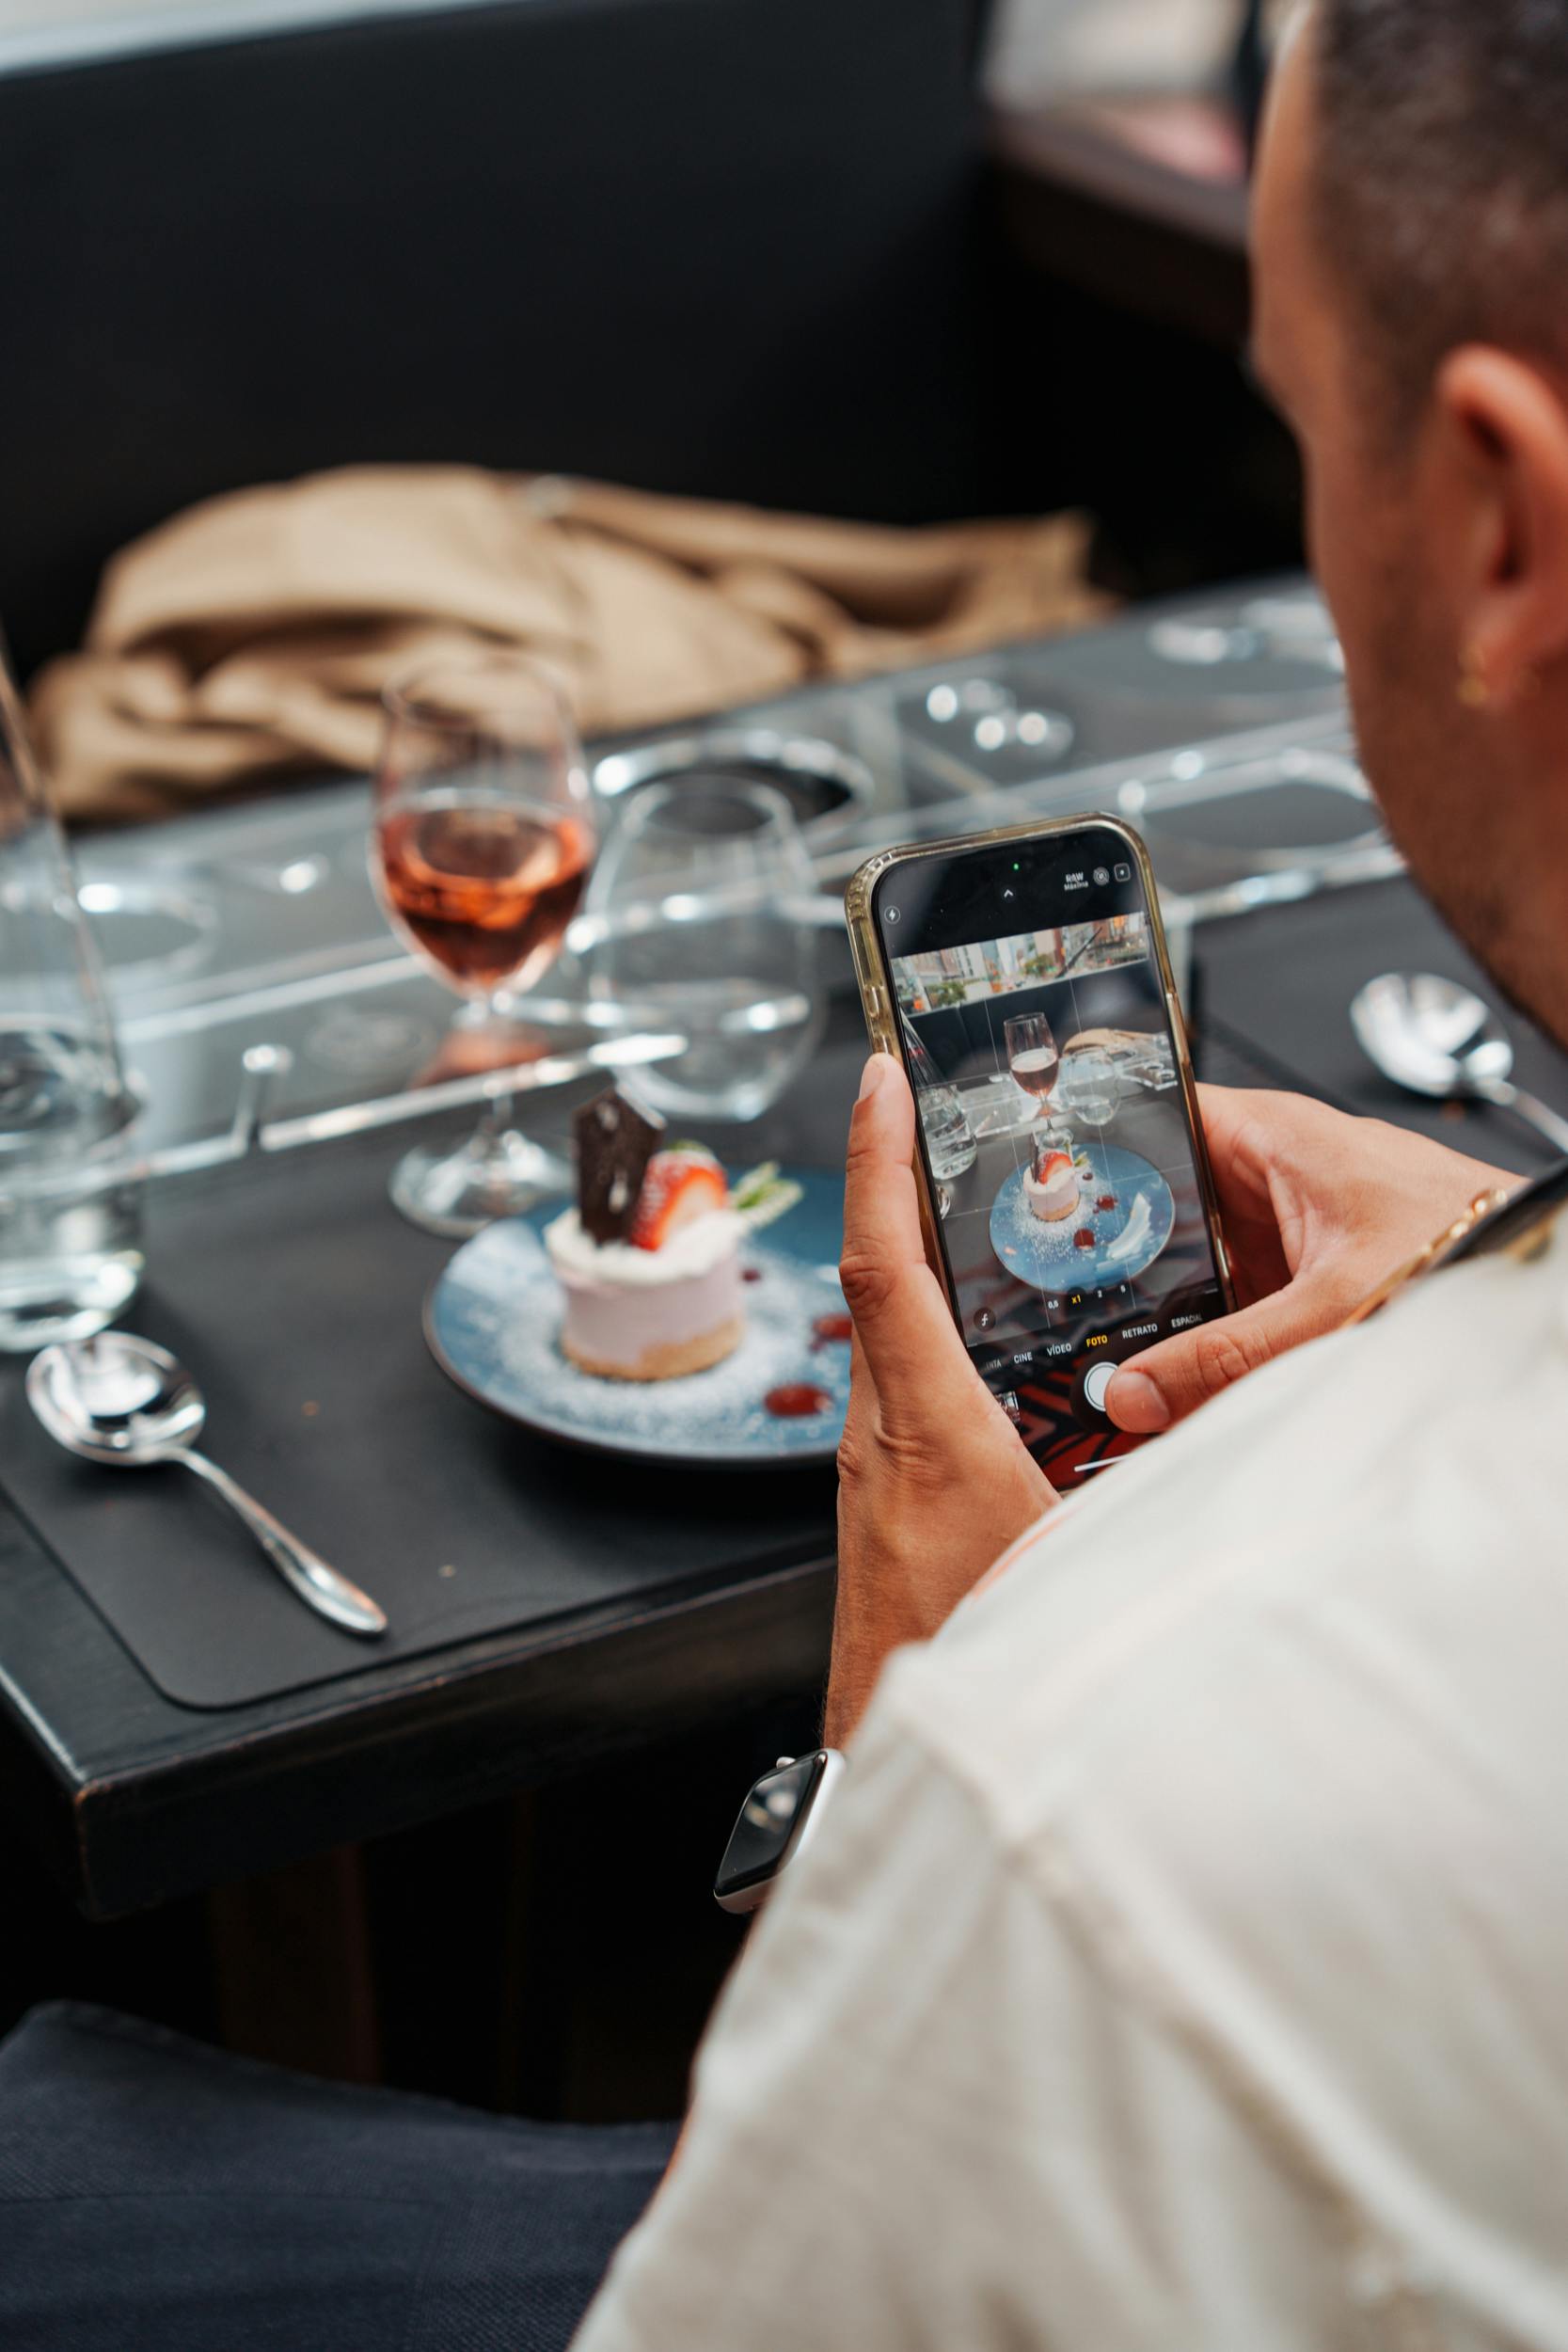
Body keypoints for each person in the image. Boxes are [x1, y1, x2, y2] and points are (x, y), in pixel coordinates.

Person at [7, 3, 1568, 2344]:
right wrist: (1480, 1263)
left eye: (1299, 425)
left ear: (1498, 517)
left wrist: (907, 1731)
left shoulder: (1105, 1801)